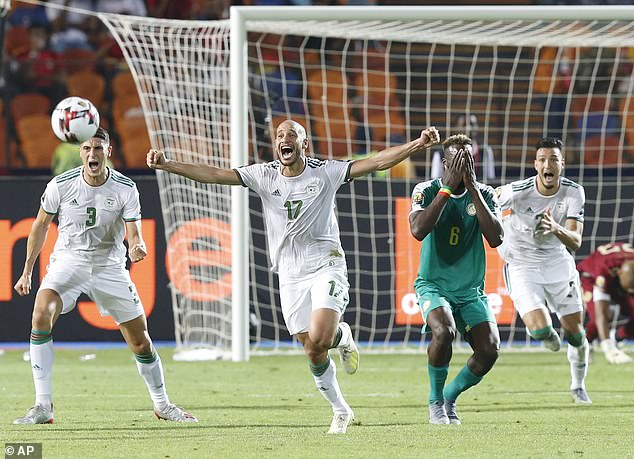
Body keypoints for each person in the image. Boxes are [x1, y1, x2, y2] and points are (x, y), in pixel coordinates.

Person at [147, 119, 440, 434]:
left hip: (326, 263)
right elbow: (216, 175)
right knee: (312, 349)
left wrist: (418, 144)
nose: (283, 139)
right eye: (279, 135)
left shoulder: (325, 172)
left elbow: (376, 162)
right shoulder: (264, 174)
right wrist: (168, 165)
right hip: (289, 273)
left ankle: (340, 336)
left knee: (322, 337)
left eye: (291, 134)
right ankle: (340, 409)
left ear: (305, 144)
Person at [13, 128, 197, 424]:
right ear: (80, 152)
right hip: (69, 261)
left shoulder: (125, 188)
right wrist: (27, 272)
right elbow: (40, 226)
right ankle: (42, 405)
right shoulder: (61, 185)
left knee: (141, 342)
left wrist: (136, 247)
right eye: (87, 148)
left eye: (98, 148)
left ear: (108, 152)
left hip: (108, 266)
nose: (92, 154)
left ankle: (163, 405)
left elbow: (134, 233)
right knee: (40, 314)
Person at [409, 133, 503, 425]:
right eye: (457, 161)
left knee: (489, 350)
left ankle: (450, 396)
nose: (463, 166)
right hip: (434, 285)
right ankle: (435, 402)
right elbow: (418, 230)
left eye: (468, 160)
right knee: (444, 331)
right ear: (445, 163)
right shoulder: (426, 190)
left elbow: (496, 238)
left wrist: (472, 187)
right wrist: (447, 189)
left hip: (470, 290)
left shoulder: (486, 193)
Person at [496, 137, 591, 404]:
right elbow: (492, 197)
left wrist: (556, 228)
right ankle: (544, 332)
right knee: (540, 332)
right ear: (535, 164)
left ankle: (578, 386)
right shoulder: (518, 191)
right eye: (543, 160)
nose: (548, 165)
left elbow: (576, 241)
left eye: (553, 160)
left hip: (557, 263)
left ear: (562, 164)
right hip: (522, 265)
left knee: (576, 334)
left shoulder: (574, 192)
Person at [577, 242, 634, 364]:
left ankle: (617, 337)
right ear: (618, 273)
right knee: (601, 316)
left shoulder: (628, 274)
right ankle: (584, 345)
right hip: (590, 277)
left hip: (620, 276)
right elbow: (601, 315)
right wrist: (608, 348)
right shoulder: (603, 272)